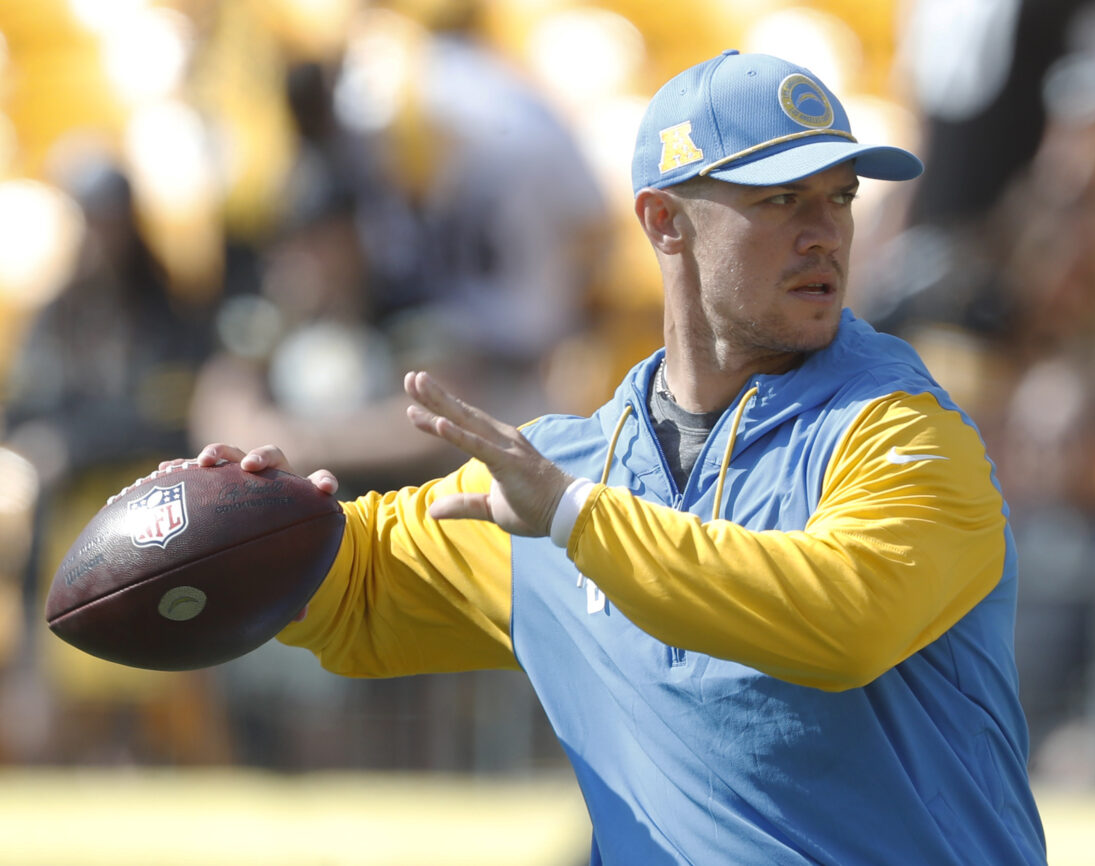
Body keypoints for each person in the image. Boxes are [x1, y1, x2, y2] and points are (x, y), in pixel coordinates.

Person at [178, 51, 1047, 864]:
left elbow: (844, 619)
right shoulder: (561, 472)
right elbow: (351, 583)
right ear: (664, 221)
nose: (826, 233)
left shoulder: (905, 432)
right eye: (782, 199)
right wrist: (226, 519)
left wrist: (573, 518)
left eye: (841, 196)